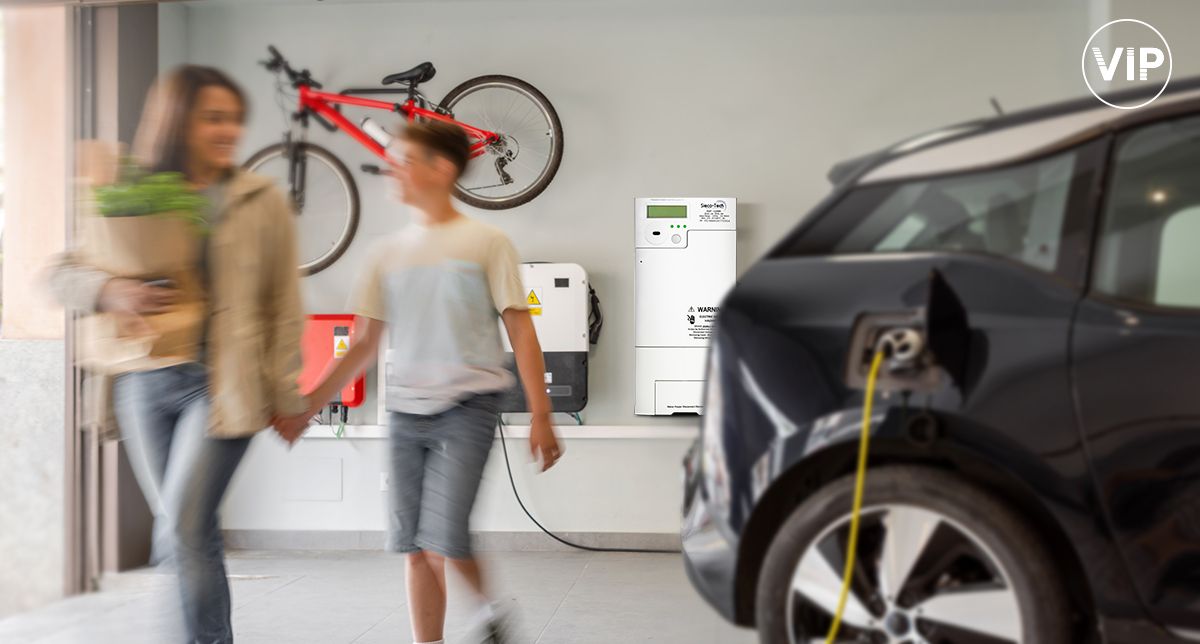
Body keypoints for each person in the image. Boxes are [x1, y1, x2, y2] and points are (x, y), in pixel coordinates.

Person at [273, 120, 562, 644]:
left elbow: (522, 332)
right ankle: (450, 631)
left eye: (403, 158)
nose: (391, 167)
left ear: (442, 169)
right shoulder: (384, 254)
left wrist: (541, 416)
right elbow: (362, 343)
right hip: (405, 413)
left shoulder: (487, 242)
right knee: (414, 544)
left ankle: (485, 611)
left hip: (468, 405)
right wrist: (309, 405)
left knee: (443, 538)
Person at [50, 66, 308, 643]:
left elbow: (284, 305)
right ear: (176, 118)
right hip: (142, 381)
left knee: (183, 529)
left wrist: (289, 394)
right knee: (186, 534)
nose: (228, 130)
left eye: (235, 119)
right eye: (213, 117)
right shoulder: (129, 190)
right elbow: (58, 274)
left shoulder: (258, 198)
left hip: (224, 385)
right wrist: (110, 290)